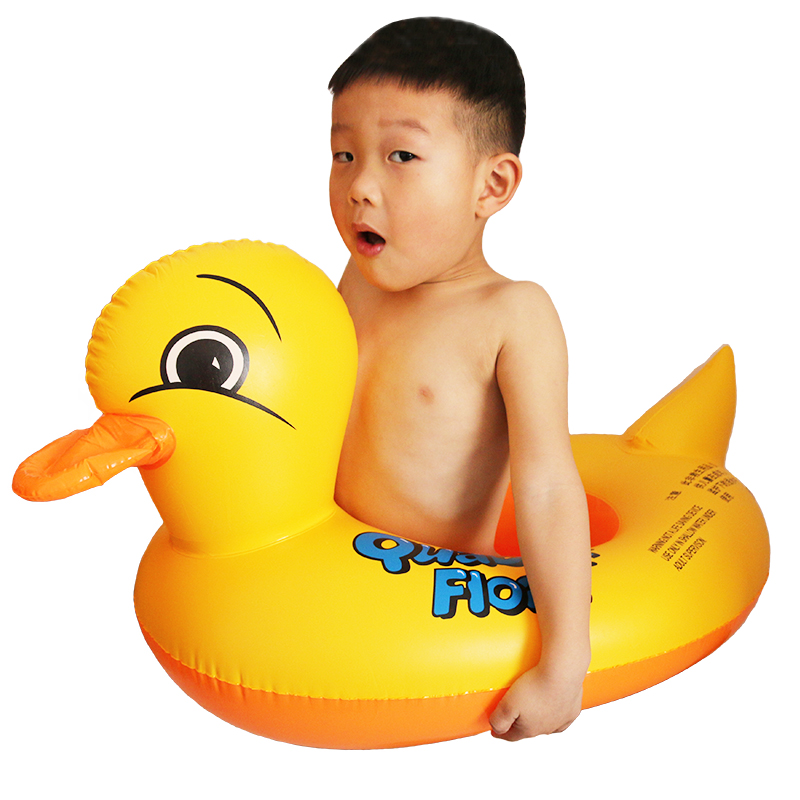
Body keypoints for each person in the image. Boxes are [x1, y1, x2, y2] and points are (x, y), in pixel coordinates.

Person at [328, 17, 591, 742]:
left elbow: (547, 485)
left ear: (492, 184)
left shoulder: (511, 315)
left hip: (431, 616)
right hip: (320, 591)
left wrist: (564, 664)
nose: (360, 187)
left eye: (401, 156)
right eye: (343, 154)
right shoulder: (356, 281)